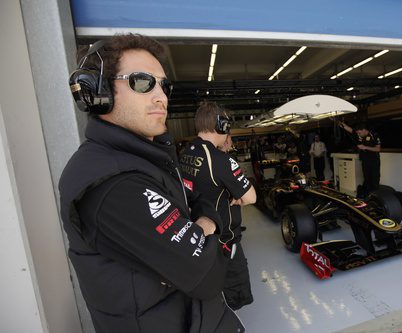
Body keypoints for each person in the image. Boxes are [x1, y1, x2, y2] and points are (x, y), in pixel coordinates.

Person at [59, 34, 244, 333]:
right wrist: (205, 225)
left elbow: (198, 203)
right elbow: (208, 274)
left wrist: (202, 223)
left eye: (163, 85)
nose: (161, 96)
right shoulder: (111, 183)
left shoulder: (150, 160)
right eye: (142, 82)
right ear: (99, 91)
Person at [180, 102, 257, 311]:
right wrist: (235, 196)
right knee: (235, 294)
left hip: (198, 235)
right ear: (222, 126)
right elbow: (251, 197)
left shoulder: (187, 153)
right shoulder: (220, 160)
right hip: (224, 240)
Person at [339, 122, 381, 195]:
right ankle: (367, 196)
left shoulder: (374, 135)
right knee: (366, 178)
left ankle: (376, 196)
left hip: (374, 161)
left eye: (359, 133)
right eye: (357, 133)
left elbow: (378, 149)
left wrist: (365, 147)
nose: (358, 134)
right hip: (365, 160)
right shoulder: (359, 134)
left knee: (374, 179)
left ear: (364, 130)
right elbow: (350, 130)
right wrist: (340, 123)